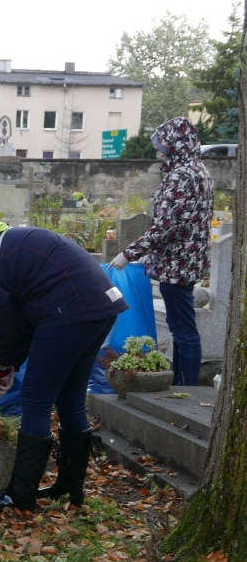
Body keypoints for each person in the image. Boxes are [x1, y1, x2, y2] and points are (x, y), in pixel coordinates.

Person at [0, 216, 130, 512]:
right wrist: (10, 367)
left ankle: (21, 494)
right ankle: (70, 488)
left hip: (68, 310)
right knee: (69, 400)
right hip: (98, 305)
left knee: (35, 401)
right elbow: (23, 321)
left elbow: (5, 327)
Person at [109, 117, 214, 386]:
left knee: (184, 330)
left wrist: (129, 254)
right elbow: (183, 220)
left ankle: (187, 389)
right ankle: (180, 383)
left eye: (162, 146)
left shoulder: (180, 175)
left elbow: (165, 227)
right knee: (181, 329)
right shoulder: (200, 170)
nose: (159, 152)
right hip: (189, 259)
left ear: (175, 145)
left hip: (176, 263)